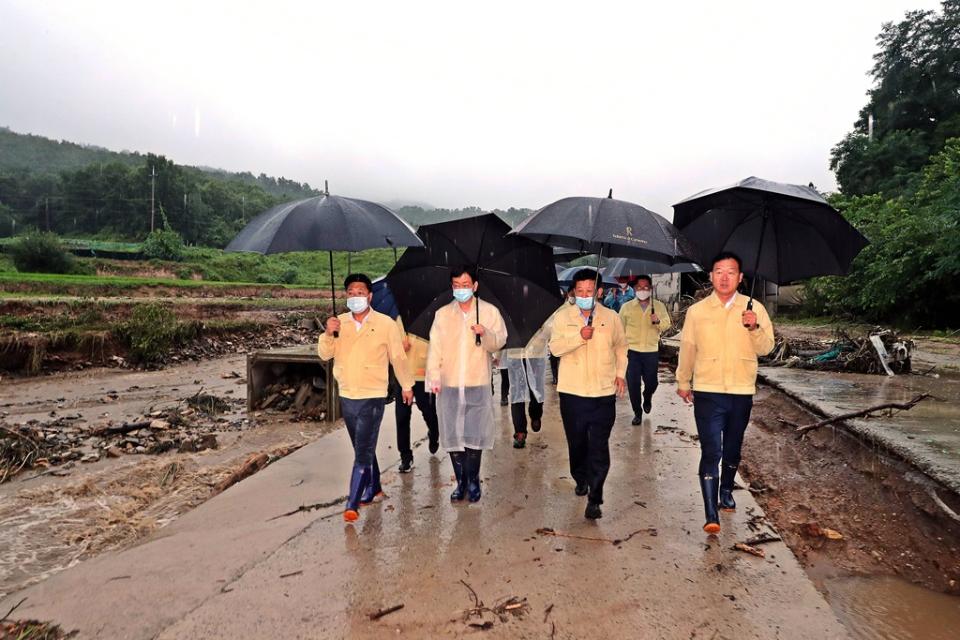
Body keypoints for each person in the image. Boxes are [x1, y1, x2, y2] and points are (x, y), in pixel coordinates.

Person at [675, 252, 775, 534]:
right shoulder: (697, 311)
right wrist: (683, 380)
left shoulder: (754, 309)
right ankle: (710, 514)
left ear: (741, 278)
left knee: (732, 447)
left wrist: (754, 326)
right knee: (711, 450)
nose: (724, 277)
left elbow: (766, 348)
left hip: (741, 390)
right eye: (719, 271)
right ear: (710, 276)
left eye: (731, 272)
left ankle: (726, 490)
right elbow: (688, 348)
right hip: (707, 390)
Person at [318, 273, 414, 523]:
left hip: (372, 395)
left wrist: (406, 385)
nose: (355, 296)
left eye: (360, 292)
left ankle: (353, 502)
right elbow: (325, 355)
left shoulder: (385, 324)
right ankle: (377, 487)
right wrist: (328, 333)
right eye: (351, 292)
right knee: (364, 445)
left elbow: (398, 358)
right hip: (348, 393)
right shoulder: (338, 323)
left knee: (362, 452)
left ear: (370, 296)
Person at [549, 269, 627, 520]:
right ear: (573, 292)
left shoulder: (611, 317)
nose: (584, 296)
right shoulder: (563, 318)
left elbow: (621, 347)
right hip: (572, 393)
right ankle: (580, 477)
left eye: (589, 291)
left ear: (599, 292)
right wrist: (578, 337)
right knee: (578, 443)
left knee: (599, 446)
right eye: (580, 291)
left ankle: (595, 496)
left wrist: (620, 373)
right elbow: (555, 348)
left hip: (603, 392)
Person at [426, 265, 507, 503]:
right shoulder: (442, 314)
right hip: (449, 384)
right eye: (456, 286)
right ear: (451, 286)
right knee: (453, 436)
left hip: (477, 382)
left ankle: (473, 480)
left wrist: (487, 333)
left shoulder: (489, 311)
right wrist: (433, 377)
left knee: (474, 434)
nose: (461, 290)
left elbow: (499, 342)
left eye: (465, 285)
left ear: (475, 286)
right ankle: (459, 481)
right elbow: (435, 348)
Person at [619, 275, 672, 425]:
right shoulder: (626, 307)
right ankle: (637, 412)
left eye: (646, 287)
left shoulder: (659, 306)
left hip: (651, 351)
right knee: (633, 385)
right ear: (634, 289)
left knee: (652, 383)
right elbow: (619, 330)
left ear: (651, 289)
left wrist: (657, 321)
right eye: (639, 287)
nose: (643, 290)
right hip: (632, 352)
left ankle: (647, 396)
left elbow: (667, 325)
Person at [394, 316, 440, 473]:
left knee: (428, 411)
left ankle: (434, 433)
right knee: (402, 416)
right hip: (402, 374)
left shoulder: (431, 317)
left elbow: (438, 345)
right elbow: (391, 345)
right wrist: (399, 347)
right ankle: (405, 456)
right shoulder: (398, 320)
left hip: (423, 375)